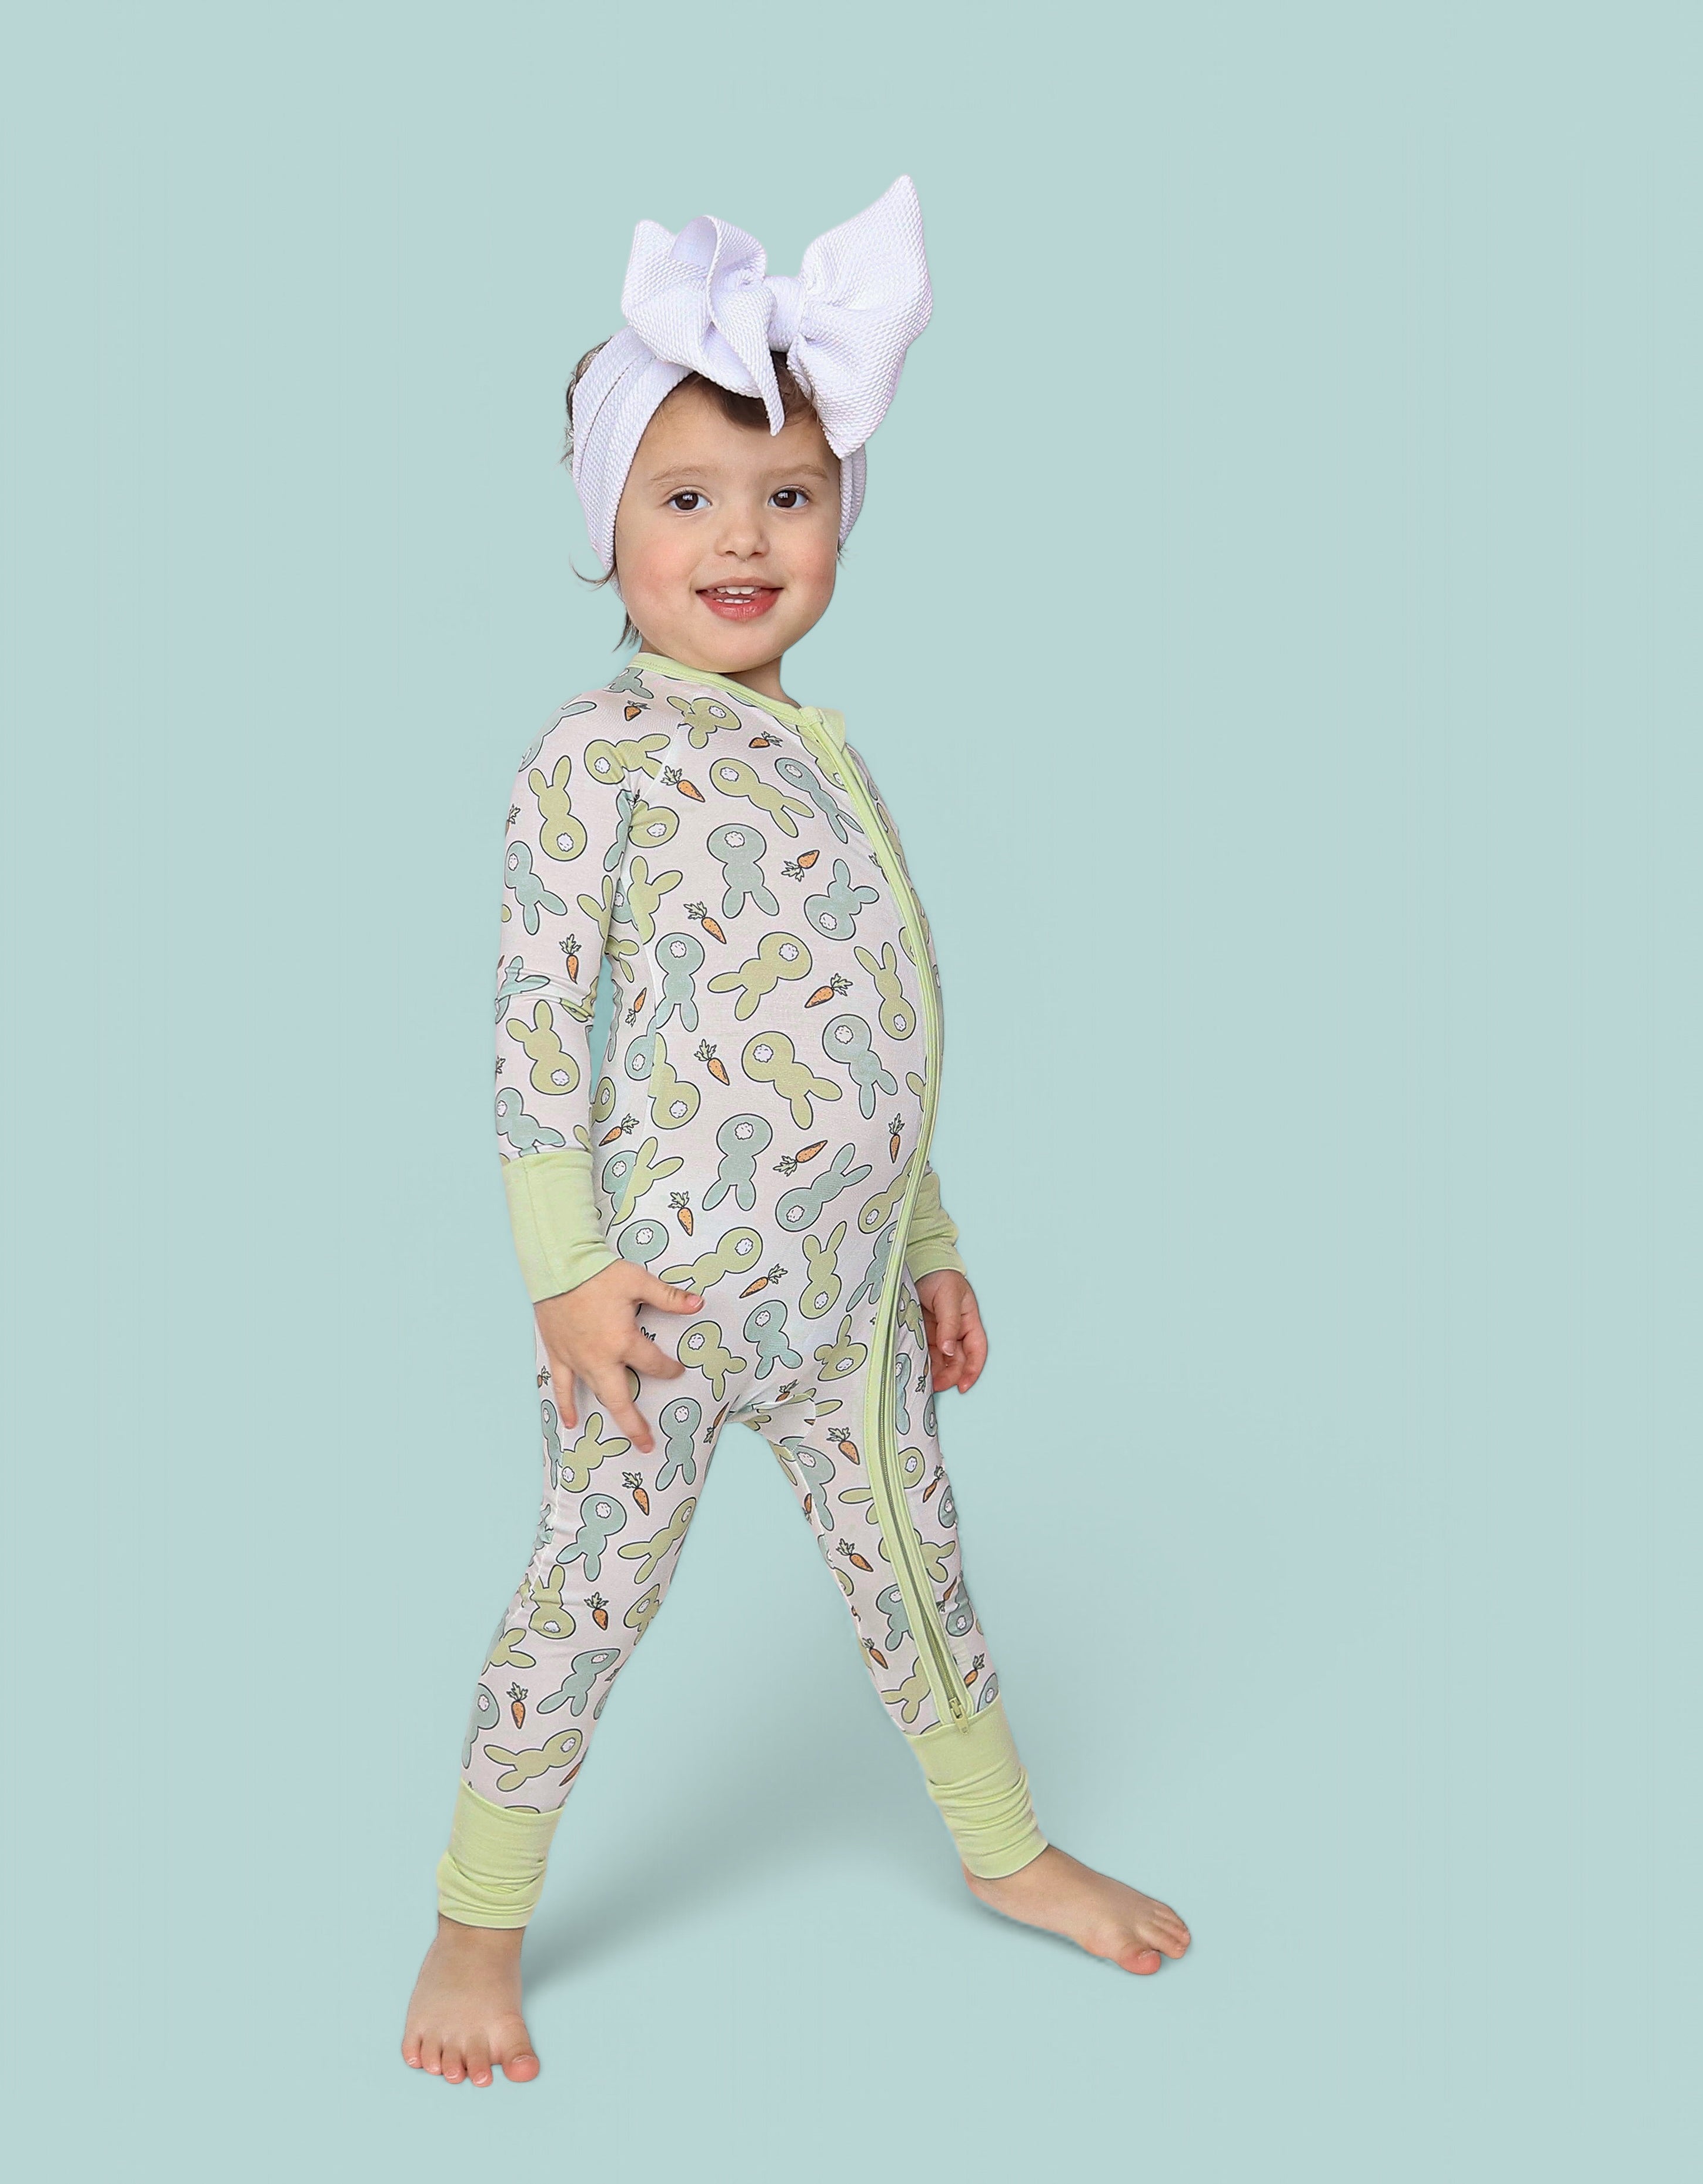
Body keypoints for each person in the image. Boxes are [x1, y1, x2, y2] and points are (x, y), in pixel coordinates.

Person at [402, 177, 1190, 2088]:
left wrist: (928, 1242)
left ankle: (1003, 1848)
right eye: (684, 497)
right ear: (604, 524)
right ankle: (472, 1927)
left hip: (843, 1302)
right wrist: (564, 1271)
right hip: (659, 1302)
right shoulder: (595, 757)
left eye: (789, 494)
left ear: (841, 519)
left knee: (920, 1568)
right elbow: (533, 1027)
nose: (742, 535)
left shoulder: (827, 754)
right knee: (584, 1600)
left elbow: (874, 1034)